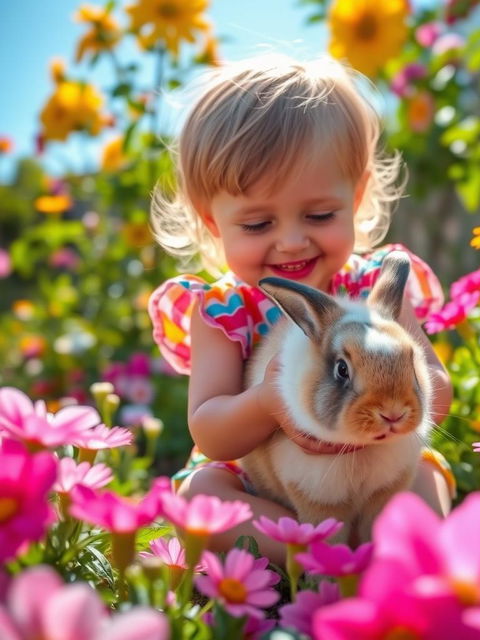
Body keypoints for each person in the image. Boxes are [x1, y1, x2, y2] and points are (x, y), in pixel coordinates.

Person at [148, 53, 455, 565]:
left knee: (426, 469)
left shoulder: (376, 288)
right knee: (202, 496)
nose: (291, 242)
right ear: (213, 221)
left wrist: (392, 410)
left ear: (355, 197)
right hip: (261, 484)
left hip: (376, 467)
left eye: (318, 214)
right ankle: (313, 563)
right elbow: (211, 431)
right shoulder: (225, 310)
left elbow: (437, 388)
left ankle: (404, 561)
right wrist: (271, 403)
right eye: (257, 225)